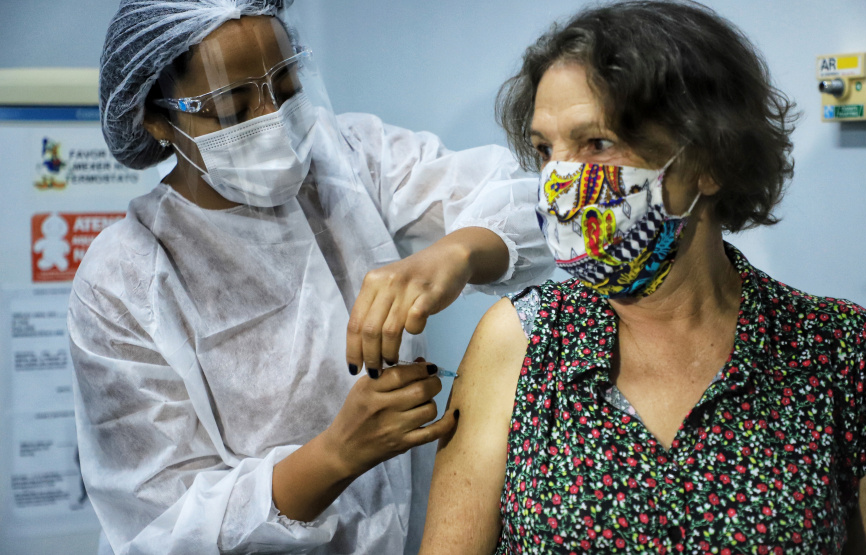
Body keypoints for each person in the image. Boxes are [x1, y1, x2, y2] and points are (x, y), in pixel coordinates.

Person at [420, 2, 866, 553]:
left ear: (709, 158)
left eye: (597, 144)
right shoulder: (521, 340)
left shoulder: (841, 350)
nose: (557, 180)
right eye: (545, 150)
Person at [68, 1, 553, 553]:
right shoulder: (125, 279)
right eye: (233, 105)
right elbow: (159, 525)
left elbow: (534, 205)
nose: (272, 116)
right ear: (156, 118)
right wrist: (335, 456)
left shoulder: (347, 159)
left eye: (288, 85)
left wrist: (460, 251)